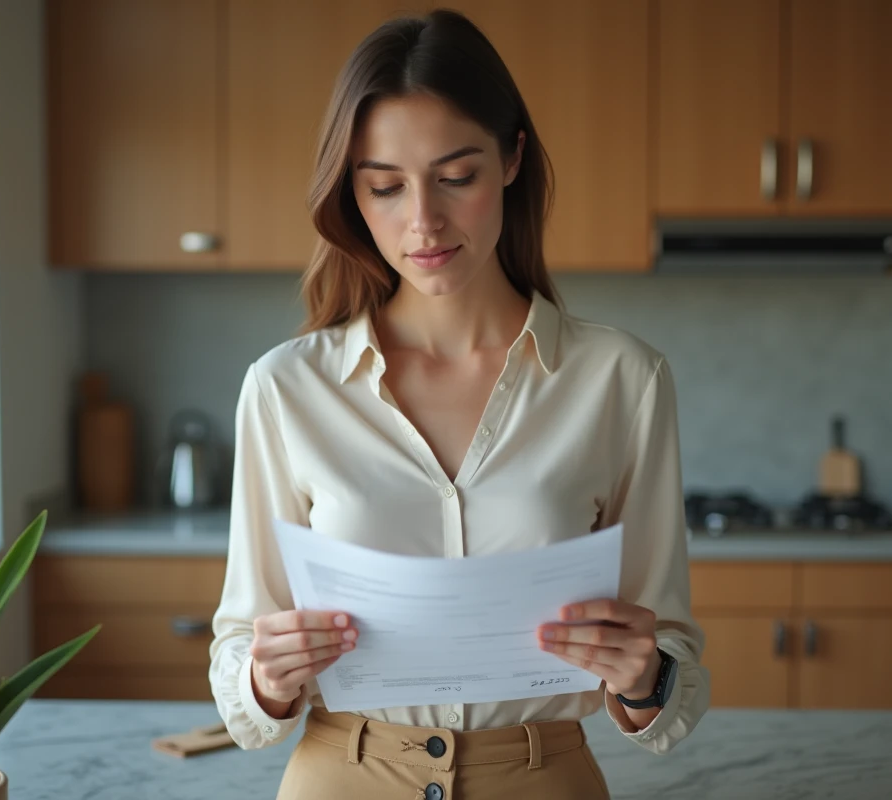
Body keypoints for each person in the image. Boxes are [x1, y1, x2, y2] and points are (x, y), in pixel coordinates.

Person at [209, 8, 709, 798]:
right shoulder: (284, 389)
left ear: (511, 158)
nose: (423, 221)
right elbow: (240, 655)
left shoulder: (623, 379)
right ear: (353, 193)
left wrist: (646, 677)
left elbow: (670, 656)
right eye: (384, 187)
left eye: (455, 176)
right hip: (344, 776)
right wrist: (266, 678)